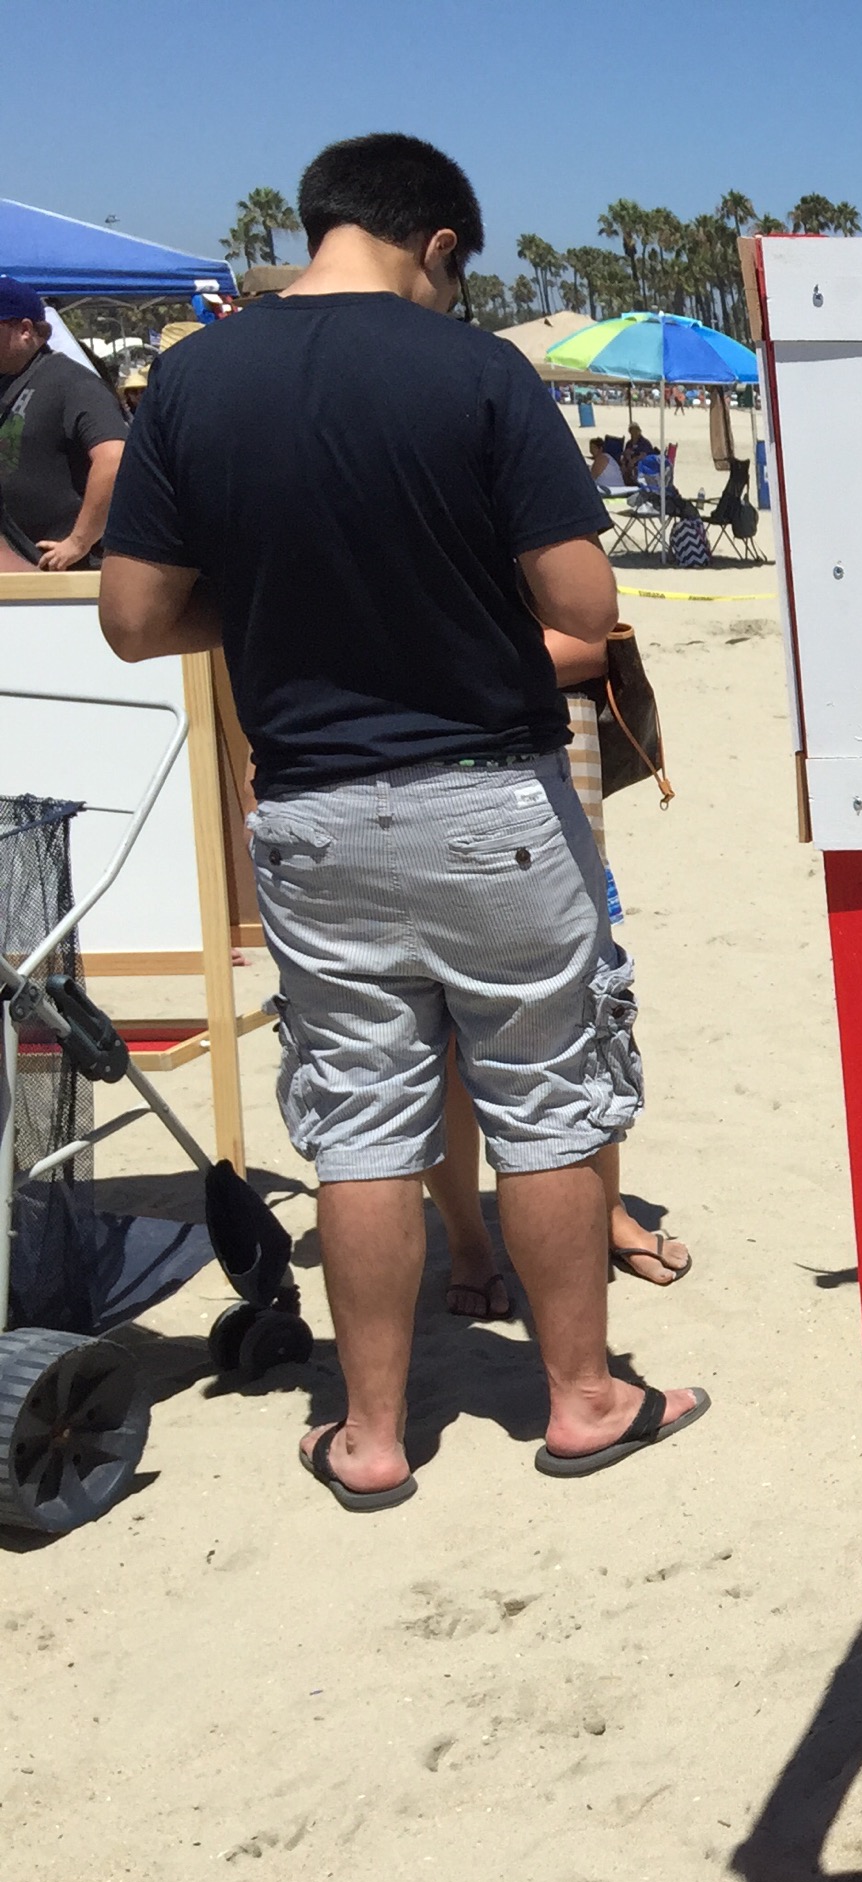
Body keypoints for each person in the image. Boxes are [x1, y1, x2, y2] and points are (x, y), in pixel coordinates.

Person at [96, 132, 705, 1507]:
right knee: (545, 1102)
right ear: (436, 246)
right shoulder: (477, 373)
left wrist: (267, 615)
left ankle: (370, 1432)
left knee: (361, 1126)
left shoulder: (191, 381)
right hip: (487, 793)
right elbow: (584, 605)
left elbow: (132, 619)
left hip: (309, 806)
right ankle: (583, 1394)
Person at [424, 623, 690, 1316]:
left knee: (582, 1007)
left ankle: (606, 1211)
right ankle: (468, 1242)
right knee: (439, 1024)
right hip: (406, 763)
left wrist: (411, 668)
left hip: (536, 749)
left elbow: (590, 638)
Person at [0, 275, 129, 569]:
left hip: (67, 576)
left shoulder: (72, 383)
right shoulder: (8, 382)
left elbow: (114, 459)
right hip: (18, 568)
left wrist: (80, 541)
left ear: (25, 329)